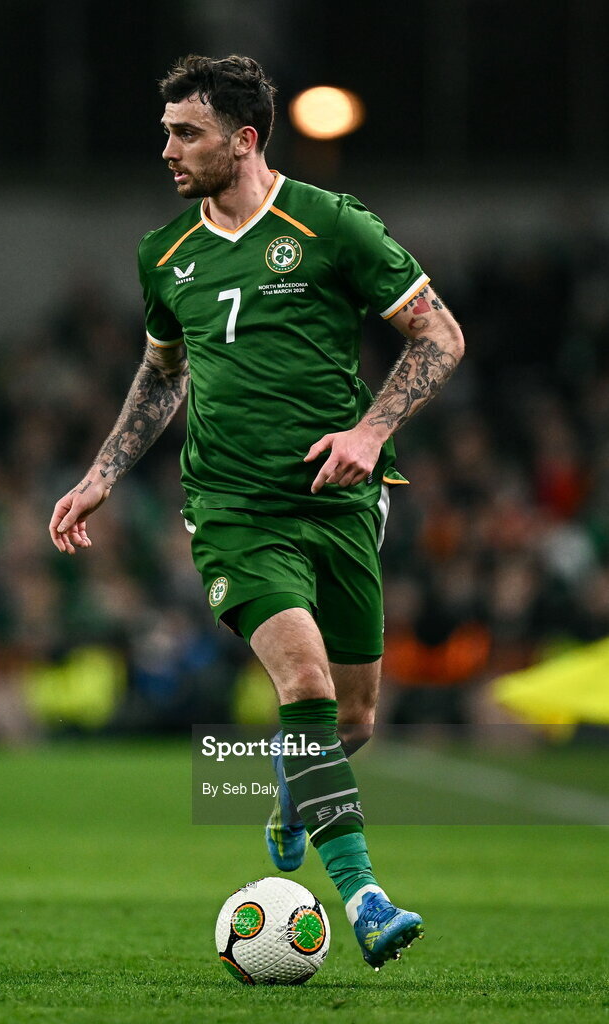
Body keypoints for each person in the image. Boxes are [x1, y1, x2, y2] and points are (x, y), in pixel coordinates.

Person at [49, 54, 464, 971]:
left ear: (244, 140)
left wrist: (369, 428)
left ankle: (289, 787)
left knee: (350, 722)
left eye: (185, 132)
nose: (167, 149)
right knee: (307, 688)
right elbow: (162, 374)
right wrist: (103, 471)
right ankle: (363, 896)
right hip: (234, 509)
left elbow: (440, 334)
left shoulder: (330, 225)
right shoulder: (165, 253)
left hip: (341, 500)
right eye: (165, 131)